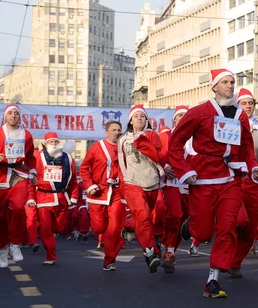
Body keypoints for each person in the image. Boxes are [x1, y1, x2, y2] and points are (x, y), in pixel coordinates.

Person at [168, 68, 258, 298]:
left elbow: (247, 147)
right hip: (202, 177)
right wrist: (184, 169)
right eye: (225, 82)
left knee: (228, 226)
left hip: (230, 177)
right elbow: (175, 143)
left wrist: (254, 167)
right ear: (214, 87)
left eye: (233, 81)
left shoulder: (241, 114)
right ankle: (191, 226)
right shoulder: (200, 112)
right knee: (203, 231)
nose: (230, 86)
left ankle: (213, 278)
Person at [0, 104, 36, 268]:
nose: (13, 116)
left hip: (19, 175)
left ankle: (15, 244)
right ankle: (3, 248)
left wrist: (32, 172)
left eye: (16, 113)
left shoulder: (27, 135)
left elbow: (30, 157)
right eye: (10, 113)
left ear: (20, 116)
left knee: (18, 208)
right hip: (0, 177)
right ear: (5, 116)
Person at [229, 88, 258, 278]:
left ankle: (235, 263)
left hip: (253, 182)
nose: (247, 106)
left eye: (250, 103)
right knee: (238, 220)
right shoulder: (229, 125)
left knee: (252, 227)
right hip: (233, 180)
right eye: (243, 103)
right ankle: (224, 245)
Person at [118, 105, 165, 273]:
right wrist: (124, 185)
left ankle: (129, 225)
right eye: (136, 116)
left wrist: (143, 141)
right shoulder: (123, 139)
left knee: (146, 218)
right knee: (143, 216)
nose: (139, 118)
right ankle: (150, 253)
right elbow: (121, 162)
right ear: (130, 120)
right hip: (132, 184)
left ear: (146, 120)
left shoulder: (152, 135)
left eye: (142, 116)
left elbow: (158, 156)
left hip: (152, 183)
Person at [80, 120, 127, 271]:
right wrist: (90, 185)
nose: (117, 132)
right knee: (99, 227)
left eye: (119, 129)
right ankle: (102, 236)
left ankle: (109, 260)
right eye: (113, 129)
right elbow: (84, 167)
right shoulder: (96, 147)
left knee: (115, 228)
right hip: (98, 192)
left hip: (117, 192)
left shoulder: (125, 148)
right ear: (106, 132)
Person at [27, 132, 78, 265]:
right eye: (51, 142)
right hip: (44, 198)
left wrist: (74, 197)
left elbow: (73, 180)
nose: (54, 144)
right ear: (45, 144)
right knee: (45, 228)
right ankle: (50, 256)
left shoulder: (68, 158)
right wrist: (31, 197)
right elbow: (31, 180)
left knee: (58, 228)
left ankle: (54, 234)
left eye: (56, 142)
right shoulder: (38, 158)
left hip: (62, 198)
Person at [161, 105, 191, 273]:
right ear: (174, 120)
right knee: (175, 213)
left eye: (185, 116)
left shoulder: (195, 138)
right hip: (171, 182)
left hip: (189, 185)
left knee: (183, 222)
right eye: (179, 116)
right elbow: (160, 153)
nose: (182, 119)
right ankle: (165, 244)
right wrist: (164, 166)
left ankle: (170, 252)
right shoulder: (166, 135)